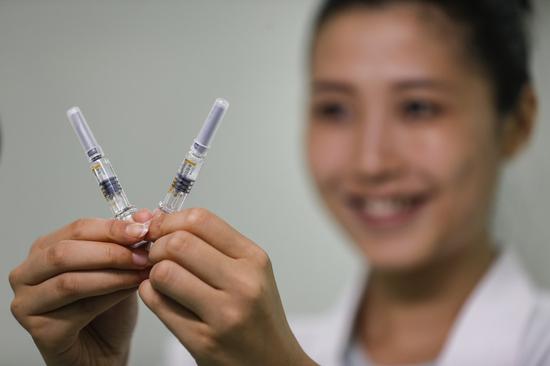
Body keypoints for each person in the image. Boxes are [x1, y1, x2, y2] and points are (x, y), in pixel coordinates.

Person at [8, 0, 548, 365]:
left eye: (418, 107)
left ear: (518, 122)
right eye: (335, 108)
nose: (370, 160)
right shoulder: (203, 349)